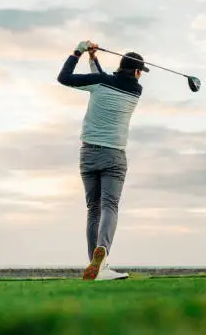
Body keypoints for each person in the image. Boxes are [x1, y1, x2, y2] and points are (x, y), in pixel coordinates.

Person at [57, 40, 149, 281]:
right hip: (114, 156)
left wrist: (78, 52)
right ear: (137, 72)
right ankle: (103, 253)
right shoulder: (135, 91)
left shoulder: (100, 83)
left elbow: (64, 78)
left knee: (93, 209)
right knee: (110, 206)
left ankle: (95, 266)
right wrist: (92, 59)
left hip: (88, 154)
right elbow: (106, 80)